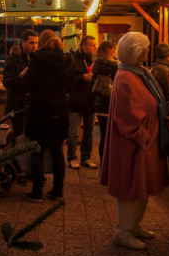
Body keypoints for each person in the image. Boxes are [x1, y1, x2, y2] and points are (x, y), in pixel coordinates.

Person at [99, 32, 168, 250]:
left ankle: (134, 225)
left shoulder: (136, 73)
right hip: (135, 144)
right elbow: (126, 116)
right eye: (145, 48)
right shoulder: (127, 76)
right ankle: (123, 231)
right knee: (131, 188)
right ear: (135, 51)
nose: (148, 52)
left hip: (143, 143)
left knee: (142, 186)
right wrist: (143, 138)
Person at [24, 36, 74, 202]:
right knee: (57, 149)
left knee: (37, 149)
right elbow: (71, 85)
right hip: (60, 107)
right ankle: (57, 190)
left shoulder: (37, 59)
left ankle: (37, 190)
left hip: (40, 107)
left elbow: (29, 84)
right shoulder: (67, 61)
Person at [67, 35, 98, 169]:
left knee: (89, 132)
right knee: (73, 132)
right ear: (84, 46)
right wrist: (82, 78)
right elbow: (68, 81)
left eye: (95, 45)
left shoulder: (95, 61)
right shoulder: (73, 60)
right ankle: (72, 158)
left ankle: (86, 157)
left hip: (91, 101)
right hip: (76, 101)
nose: (94, 47)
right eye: (92, 45)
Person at [3, 30, 38, 134]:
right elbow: (7, 82)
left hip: (31, 105)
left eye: (36, 43)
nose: (34, 46)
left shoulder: (34, 59)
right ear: (23, 43)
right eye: (31, 43)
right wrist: (20, 76)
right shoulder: (13, 59)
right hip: (17, 106)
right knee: (18, 136)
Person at [91, 40, 118, 161]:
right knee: (112, 138)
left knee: (103, 136)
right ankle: (109, 166)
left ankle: (103, 165)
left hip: (99, 103)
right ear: (108, 50)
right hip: (110, 103)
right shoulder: (113, 66)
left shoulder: (96, 63)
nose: (115, 51)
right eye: (114, 49)